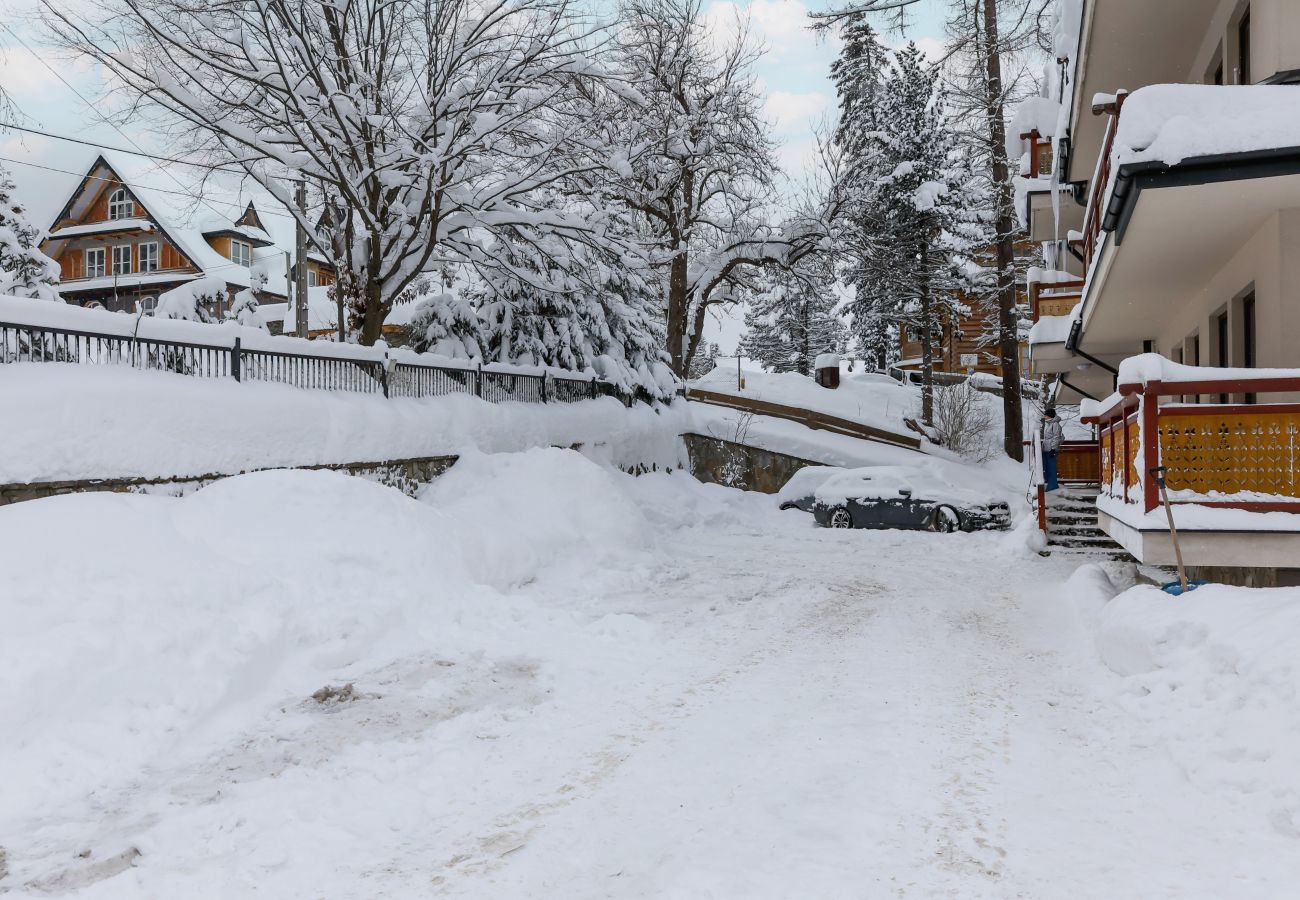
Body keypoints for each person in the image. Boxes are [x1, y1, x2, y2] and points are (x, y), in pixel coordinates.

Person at [1041, 408, 1064, 491]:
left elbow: (1056, 437)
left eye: (1046, 415)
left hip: (1051, 449)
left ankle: (1053, 485)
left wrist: (1053, 449)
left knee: (1051, 468)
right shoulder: (1048, 424)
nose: (1045, 417)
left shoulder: (1055, 424)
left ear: (1050, 415)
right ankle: (1048, 484)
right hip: (1046, 449)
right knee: (1046, 467)